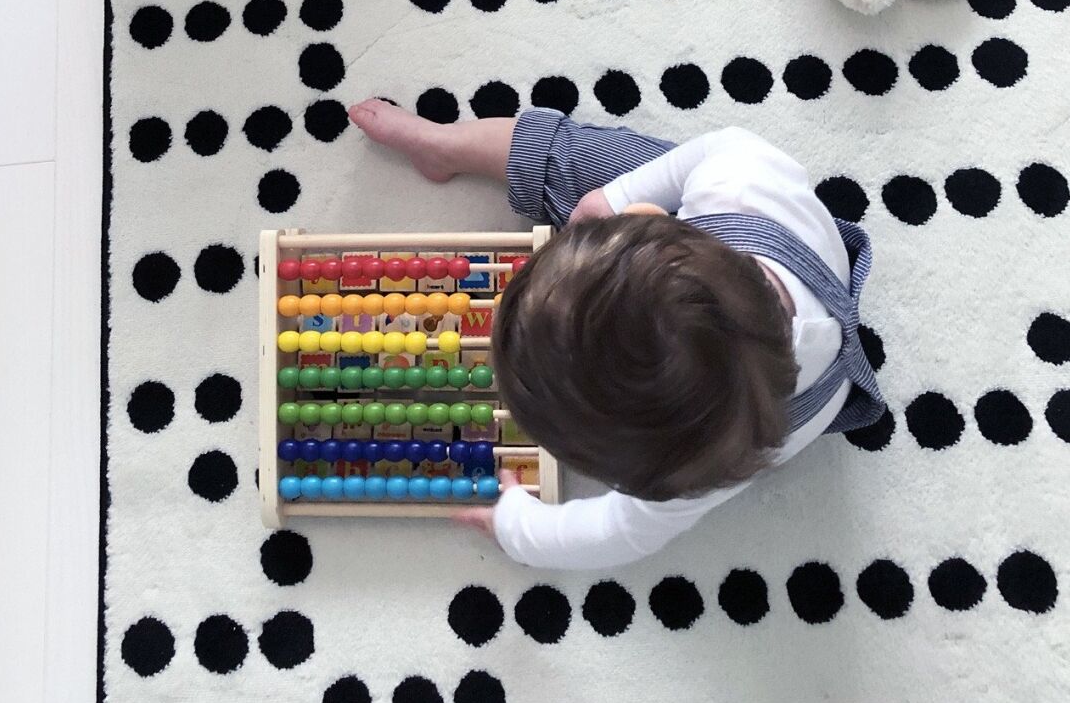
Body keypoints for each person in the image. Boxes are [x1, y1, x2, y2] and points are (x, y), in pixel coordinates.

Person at [348, 98, 884, 570]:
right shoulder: (742, 187)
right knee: (582, 165)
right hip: (764, 245)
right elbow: (721, 145)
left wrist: (515, 526)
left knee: (566, 160)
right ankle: (445, 146)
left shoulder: (703, 460)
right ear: (649, 217)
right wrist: (619, 193)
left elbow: (614, 532)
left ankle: (500, 165)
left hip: (759, 396)